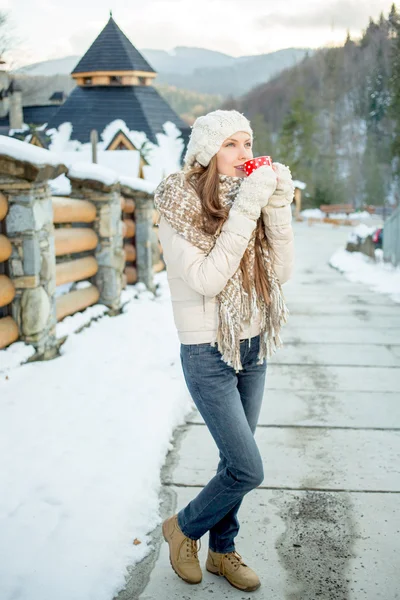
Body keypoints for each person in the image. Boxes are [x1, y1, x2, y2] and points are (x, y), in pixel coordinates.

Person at [154, 109, 294, 592]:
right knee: (247, 468)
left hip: (252, 345)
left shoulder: (248, 200)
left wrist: (275, 207)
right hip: (207, 352)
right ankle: (183, 528)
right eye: (231, 144)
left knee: (231, 463)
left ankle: (222, 551)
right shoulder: (178, 205)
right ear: (207, 152)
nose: (244, 154)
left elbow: (282, 272)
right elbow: (209, 279)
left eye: (248, 143)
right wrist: (249, 208)